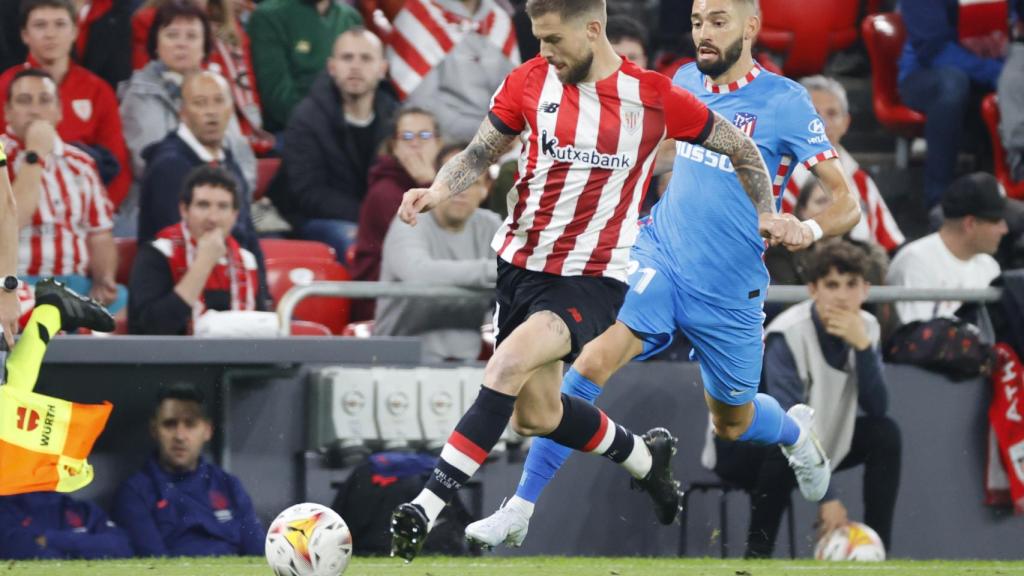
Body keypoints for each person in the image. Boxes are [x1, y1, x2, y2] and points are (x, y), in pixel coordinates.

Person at [389, 0, 796, 562]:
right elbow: (481, 151)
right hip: (520, 267)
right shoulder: (530, 81)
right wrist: (438, 189)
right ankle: (644, 460)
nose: (544, 52)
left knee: (505, 366)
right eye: (538, 39)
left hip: (590, 279)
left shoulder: (651, 97)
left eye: (554, 40)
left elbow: (741, 148)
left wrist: (767, 210)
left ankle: (425, 507)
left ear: (594, 30)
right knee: (539, 415)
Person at [464, 0, 862, 550]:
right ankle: (522, 506)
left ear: (751, 26)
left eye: (718, 20)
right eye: (697, 21)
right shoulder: (679, 81)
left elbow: (848, 204)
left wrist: (806, 229)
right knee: (593, 358)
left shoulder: (787, 102)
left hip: (729, 287)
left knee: (733, 422)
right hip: (659, 256)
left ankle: (796, 434)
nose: (703, 32)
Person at [711, 240, 901, 558]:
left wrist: (864, 348)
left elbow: (877, 406)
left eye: (851, 284)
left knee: (885, 434)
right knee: (782, 450)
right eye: (831, 285)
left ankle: (876, 552)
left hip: (820, 440)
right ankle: (756, 559)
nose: (842, 295)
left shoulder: (866, 327)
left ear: (866, 290)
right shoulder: (788, 332)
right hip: (743, 447)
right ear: (813, 289)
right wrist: (828, 498)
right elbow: (788, 423)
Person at [118, 0, 255, 232]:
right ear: (156, 45)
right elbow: (149, 163)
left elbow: (242, 159)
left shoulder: (216, 88)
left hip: (222, 203)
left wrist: (228, 200)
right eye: (172, 35)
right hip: (158, 205)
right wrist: (204, 202)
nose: (182, 44)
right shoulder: (139, 93)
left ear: (204, 46)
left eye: (191, 36)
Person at [3, 69, 126, 315]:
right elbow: (9, 221)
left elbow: (99, 234)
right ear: (8, 112)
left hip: (74, 284)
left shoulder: (81, 164)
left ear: (59, 110)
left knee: (122, 301)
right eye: (24, 101)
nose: (35, 110)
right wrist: (35, 154)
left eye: (45, 100)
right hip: (18, 283)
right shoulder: (1, 157)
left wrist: (104, 279)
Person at [270, 27, 397, 260]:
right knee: (358, 241)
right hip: (312, 219)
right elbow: (309, 194)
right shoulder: (307, 117)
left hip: (375, 217)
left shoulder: (395, 117)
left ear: (382, 69)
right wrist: (371, 217)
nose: (355, 66)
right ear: (332, 67)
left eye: (366, 58)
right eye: (347, 58)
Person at [136, 69, 266, 284]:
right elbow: (179, 240)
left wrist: (262, 296)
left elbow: (249, 233)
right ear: (183, 112)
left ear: (231, 109)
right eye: (200, 103)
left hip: (231, 280)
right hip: (182, 286)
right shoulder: (169, 165)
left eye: (218, 101)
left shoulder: (227, 159)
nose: (211, 112)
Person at [375, 143, 502, 362]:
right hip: (398, 361)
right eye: (454, 181)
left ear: (485, 190)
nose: (461, 191)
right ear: (437, 184)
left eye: (472, 182)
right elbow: (418, 274)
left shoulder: (491, 225)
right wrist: (494, 270)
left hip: (468, 363)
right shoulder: (409, 220)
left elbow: (518, 274)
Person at [0, 0, 132, 208]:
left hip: (84, 213)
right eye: (40, 25)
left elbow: (118, 166)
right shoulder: (5, 86)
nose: (50, 34)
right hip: (16, 209)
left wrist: (97, 213)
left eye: (60, 24)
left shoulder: (98, 91)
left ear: (75, 32)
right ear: (25, 35)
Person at [111, 382, 264, 557]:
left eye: (190, 424)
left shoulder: (228, 485)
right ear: (154, 430)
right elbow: (153, 565)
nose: (180, 436)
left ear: (207, 431)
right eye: (170, 424)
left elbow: (258, 553)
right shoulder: (134, 493)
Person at [898, 0, 1013, 209]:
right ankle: (938, 200)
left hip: (994, 69)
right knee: (952, 84)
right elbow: (934, 51)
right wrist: (1002, 74)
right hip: (926, 74)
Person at [129, 165, 262, 335]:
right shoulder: (157, 253)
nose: (213, 218)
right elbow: (152, 328)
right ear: (184, 210)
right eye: (203, 205)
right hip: (172, 359)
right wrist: (203, 264)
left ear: (235, 215)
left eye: (222, 207)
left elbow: (259, 330)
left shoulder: (247, 261)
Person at [787, 75, 904, 253]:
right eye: (814, 113)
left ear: (846, 123)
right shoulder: (774, 175)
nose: (822, 123)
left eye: (832, 113)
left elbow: (889, 245)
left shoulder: (860, 181)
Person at [382, 0, 520, 142]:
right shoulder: (416, 18)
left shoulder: (499, 19)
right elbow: (422, 107)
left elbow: (514, 95)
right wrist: (489, 132)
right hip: (445, 147)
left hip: (501, 139)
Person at [887, 172, 1007, 325]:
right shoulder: (916, 261)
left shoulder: (989, 266)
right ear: (970, 224)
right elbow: (916, 340)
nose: (1005, 229)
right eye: (997, 222)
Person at [351, 107, 443, 284]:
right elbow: (435, 238)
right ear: (394, 147)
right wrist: (427, 184)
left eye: (424, 136)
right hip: (384, 295)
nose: (415, 143)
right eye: (406, 137)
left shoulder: (449, 181)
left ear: (439, 143)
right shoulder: (384, 191)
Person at [246, 0, 363, 132]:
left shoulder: (350, 17)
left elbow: (363, 84)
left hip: (347, 128)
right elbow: (278, 97)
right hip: (293, 133)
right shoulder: (268, 16)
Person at [0, 491, 133, 559]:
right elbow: (29, 554)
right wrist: (89, 548)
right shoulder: (6, 510)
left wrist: (51, 539)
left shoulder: (81, 508)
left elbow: (120, 547)